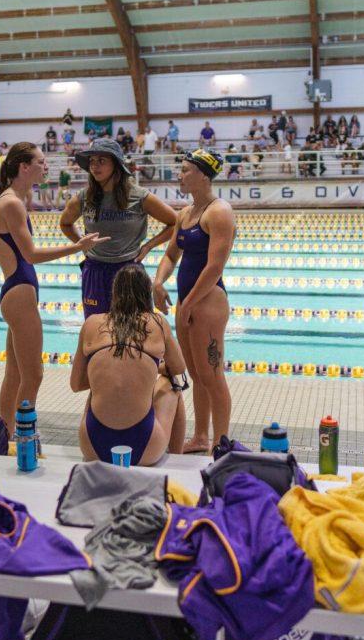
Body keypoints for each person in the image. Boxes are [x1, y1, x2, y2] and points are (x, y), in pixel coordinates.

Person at [0, 143, 105, 432]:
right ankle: (25, 434)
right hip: (19, 293)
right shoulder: (11, 203)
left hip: (17, 291)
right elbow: (30, 255)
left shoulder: (14, 198)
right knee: (34, 375)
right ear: (23, 166)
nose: (46, 166)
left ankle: (6, 434)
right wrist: (77, 247)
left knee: (15, 374)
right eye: (41, 162)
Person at [153, 149, 235, 453]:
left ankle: (220, 442)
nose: (180, 175)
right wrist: (158, 281)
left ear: (203, 174)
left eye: (186, 170)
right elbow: (171, 254)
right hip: (187, 302)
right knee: (196, 373)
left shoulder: (219, 212)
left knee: (212, 375)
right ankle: (201, 437)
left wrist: (187, 304)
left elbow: (215, 266)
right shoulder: (185, 214)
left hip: (208, 302)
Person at [72, 264, 188, 466]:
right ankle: (176, 461)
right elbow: (178, 368)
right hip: (146, 446)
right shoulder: (157, 322)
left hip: (93, 445)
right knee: (173, 385)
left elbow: (76, 384)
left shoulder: (91, 323)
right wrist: (150, 370)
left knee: (95, 390)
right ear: (147, 294)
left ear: (114, 293)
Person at [61, 139, 177, 318]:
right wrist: (81, 244)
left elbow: (174, 222)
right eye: (92, 161)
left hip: (129, 271)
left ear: (116, 164)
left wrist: (148, 246)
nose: (94, 166)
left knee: (135, 332)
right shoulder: (84, 197)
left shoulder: (138, 196)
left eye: (101, 161)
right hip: (95, 271)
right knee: (97, 331)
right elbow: (65, 223)